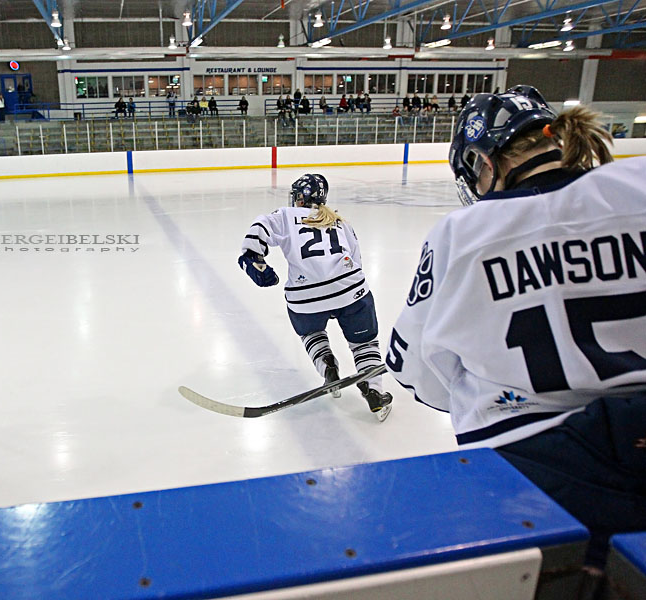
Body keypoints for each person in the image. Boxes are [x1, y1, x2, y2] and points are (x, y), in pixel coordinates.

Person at [386, 85, 646, 570]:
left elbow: (415, 369)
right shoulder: (640, 185)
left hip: (533, 469)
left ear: (485, 163)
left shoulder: (461, 234)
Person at [239, 174, 393, 421]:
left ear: (300, 197)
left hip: (305, 297)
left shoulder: (287, 215)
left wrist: (252, 257)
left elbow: (261, 226)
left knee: (311, 332)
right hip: (350, 289)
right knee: (364, 344)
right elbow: (357, 261)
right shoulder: (341, 222)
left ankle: (327, 366)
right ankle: (373, 389)